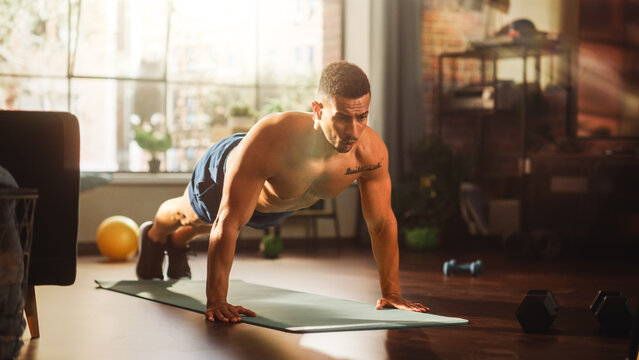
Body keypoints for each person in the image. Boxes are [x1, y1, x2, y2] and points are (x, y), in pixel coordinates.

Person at [136, 60, 429, 322]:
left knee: (216, 224)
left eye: (362, 117)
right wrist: (216, 301)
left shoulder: (370, 152)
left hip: (277, 204)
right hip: (226, 173)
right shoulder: (273, 138)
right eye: (341, 117)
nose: (353, 131)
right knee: (189, 214)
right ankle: (154, 236)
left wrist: (392, 293)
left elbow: (380, 223)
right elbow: (229, 222)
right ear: (318, 110)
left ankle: (175, 244)